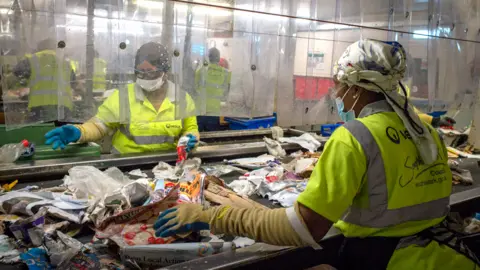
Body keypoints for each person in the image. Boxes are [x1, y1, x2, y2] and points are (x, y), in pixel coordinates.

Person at [153, 39, 479, 269]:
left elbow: (299, 229)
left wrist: (210, 215)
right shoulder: (427, 132)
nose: (336, 93)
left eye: (339, 84)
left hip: (390, 261)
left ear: (356, 87)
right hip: (447, 256)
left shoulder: (355, 138)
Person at [44, 42, 199, 154]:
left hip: (168, 167)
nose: (145, 77)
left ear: (165, 72)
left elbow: (190, 128)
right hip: (125, 165)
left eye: (151, 72)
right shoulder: (123, 97)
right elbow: (100, 126)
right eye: (140, 72)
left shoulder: (182, 99)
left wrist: (189, 139)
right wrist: (79, 132)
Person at [12, 38, 74, 122]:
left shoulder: (32, 60)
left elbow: (16, 71)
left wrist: (26, 80)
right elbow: (73, 81)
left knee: (40, 133)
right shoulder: (65, 62)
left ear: (39, 48)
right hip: (63, 107)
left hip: (39, 107)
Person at [195, 47, 231, 131]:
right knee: (212, 138)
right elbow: (227, 91)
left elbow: (195, 88)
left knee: (198, 138)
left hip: (200, 110)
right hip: (214, 112)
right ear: (218, 58)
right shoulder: (226, 73)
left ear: (208, 58)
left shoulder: (200, 71)